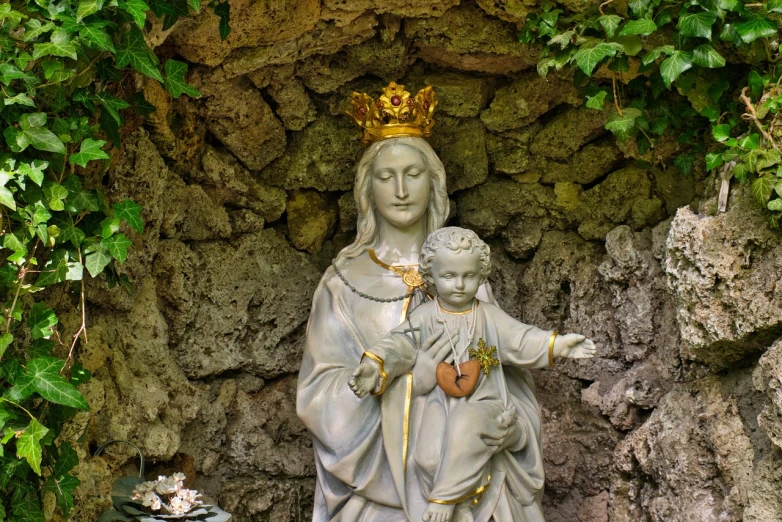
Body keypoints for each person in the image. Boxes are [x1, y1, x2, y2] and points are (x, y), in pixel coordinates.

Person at [297, 83, 552, 522]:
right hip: (378, 498)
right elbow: (319, 398)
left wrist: (511, 427)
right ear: (367, 189)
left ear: (433, 182)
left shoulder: (462, 273)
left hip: (469, 488)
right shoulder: (341, 284)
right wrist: (407, 382)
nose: (400, 189)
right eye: (385, 176)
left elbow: (509, 384)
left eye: (412, 174)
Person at [348, 228, 596, 522]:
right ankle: (459, 502)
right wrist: (375, 367)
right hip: (437, 405)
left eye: (469, 276)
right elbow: (398, 344)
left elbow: (521, 339)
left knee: (468, 427)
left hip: (486, 402)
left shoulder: (488, 315)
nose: (459, 285)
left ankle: (447, 499)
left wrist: (558, 344)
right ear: (431, 276)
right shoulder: (426, 317)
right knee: (427, 455)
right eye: (449, 276)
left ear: (481, 277)